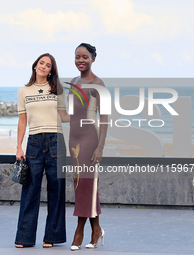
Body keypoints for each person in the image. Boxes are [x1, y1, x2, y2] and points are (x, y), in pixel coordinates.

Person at [14, 53, 69, 248]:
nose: (44, 67)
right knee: (30, 190)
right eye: (41, 63)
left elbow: (64, 116)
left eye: (48, 65)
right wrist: (19, 146)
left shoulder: (57, 89)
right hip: (34, 142)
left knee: (57, 189)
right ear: (35, 65)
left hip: (56, 140)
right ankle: (24, 238)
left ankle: (52, 237)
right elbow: (23, 120)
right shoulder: (23, 91)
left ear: (51, 70)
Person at [68, 43, 108, 251]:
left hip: (89, 138)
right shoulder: (73, 82)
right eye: (77, 56)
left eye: (84, 56)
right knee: (82, 185)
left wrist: (100, 147)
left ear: (93, 58)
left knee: (85, 184)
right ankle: (97, 229)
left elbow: (104, 117)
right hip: (73, 140)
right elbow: (70, 113)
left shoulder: (98, 83)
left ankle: (79, 231)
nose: (80, 60)